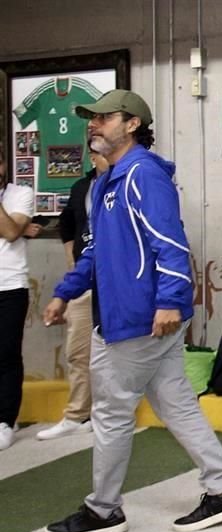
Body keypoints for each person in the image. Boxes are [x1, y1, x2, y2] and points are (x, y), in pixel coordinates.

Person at [42, 89, 222, 532]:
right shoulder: (103, 183)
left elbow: (170, 243)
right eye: (90, 119)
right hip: (127, 317)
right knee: (176, 404)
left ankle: (103, 510)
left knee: (112, 413)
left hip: (137, 320)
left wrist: (171, 302)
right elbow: (94, 251)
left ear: (132, 124)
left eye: (104, 118)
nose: (93, 125)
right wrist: (65, 292)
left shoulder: (143, 175)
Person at [36, 148, 109, 440]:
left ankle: (106, 413)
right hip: (84, 280)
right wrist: (72, 261)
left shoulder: (131, 182)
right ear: (92, 157)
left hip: (115, 283)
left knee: (115, 354)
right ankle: (78, 415)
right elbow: (66, 224)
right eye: (99, 152)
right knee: (78, 352)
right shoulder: (82, 188)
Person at [0, 148, 36, 451]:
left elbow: (11, 232)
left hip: (10, 286)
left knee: (7, 354)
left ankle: (5, 420)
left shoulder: (21, 193)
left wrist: (21, 227)